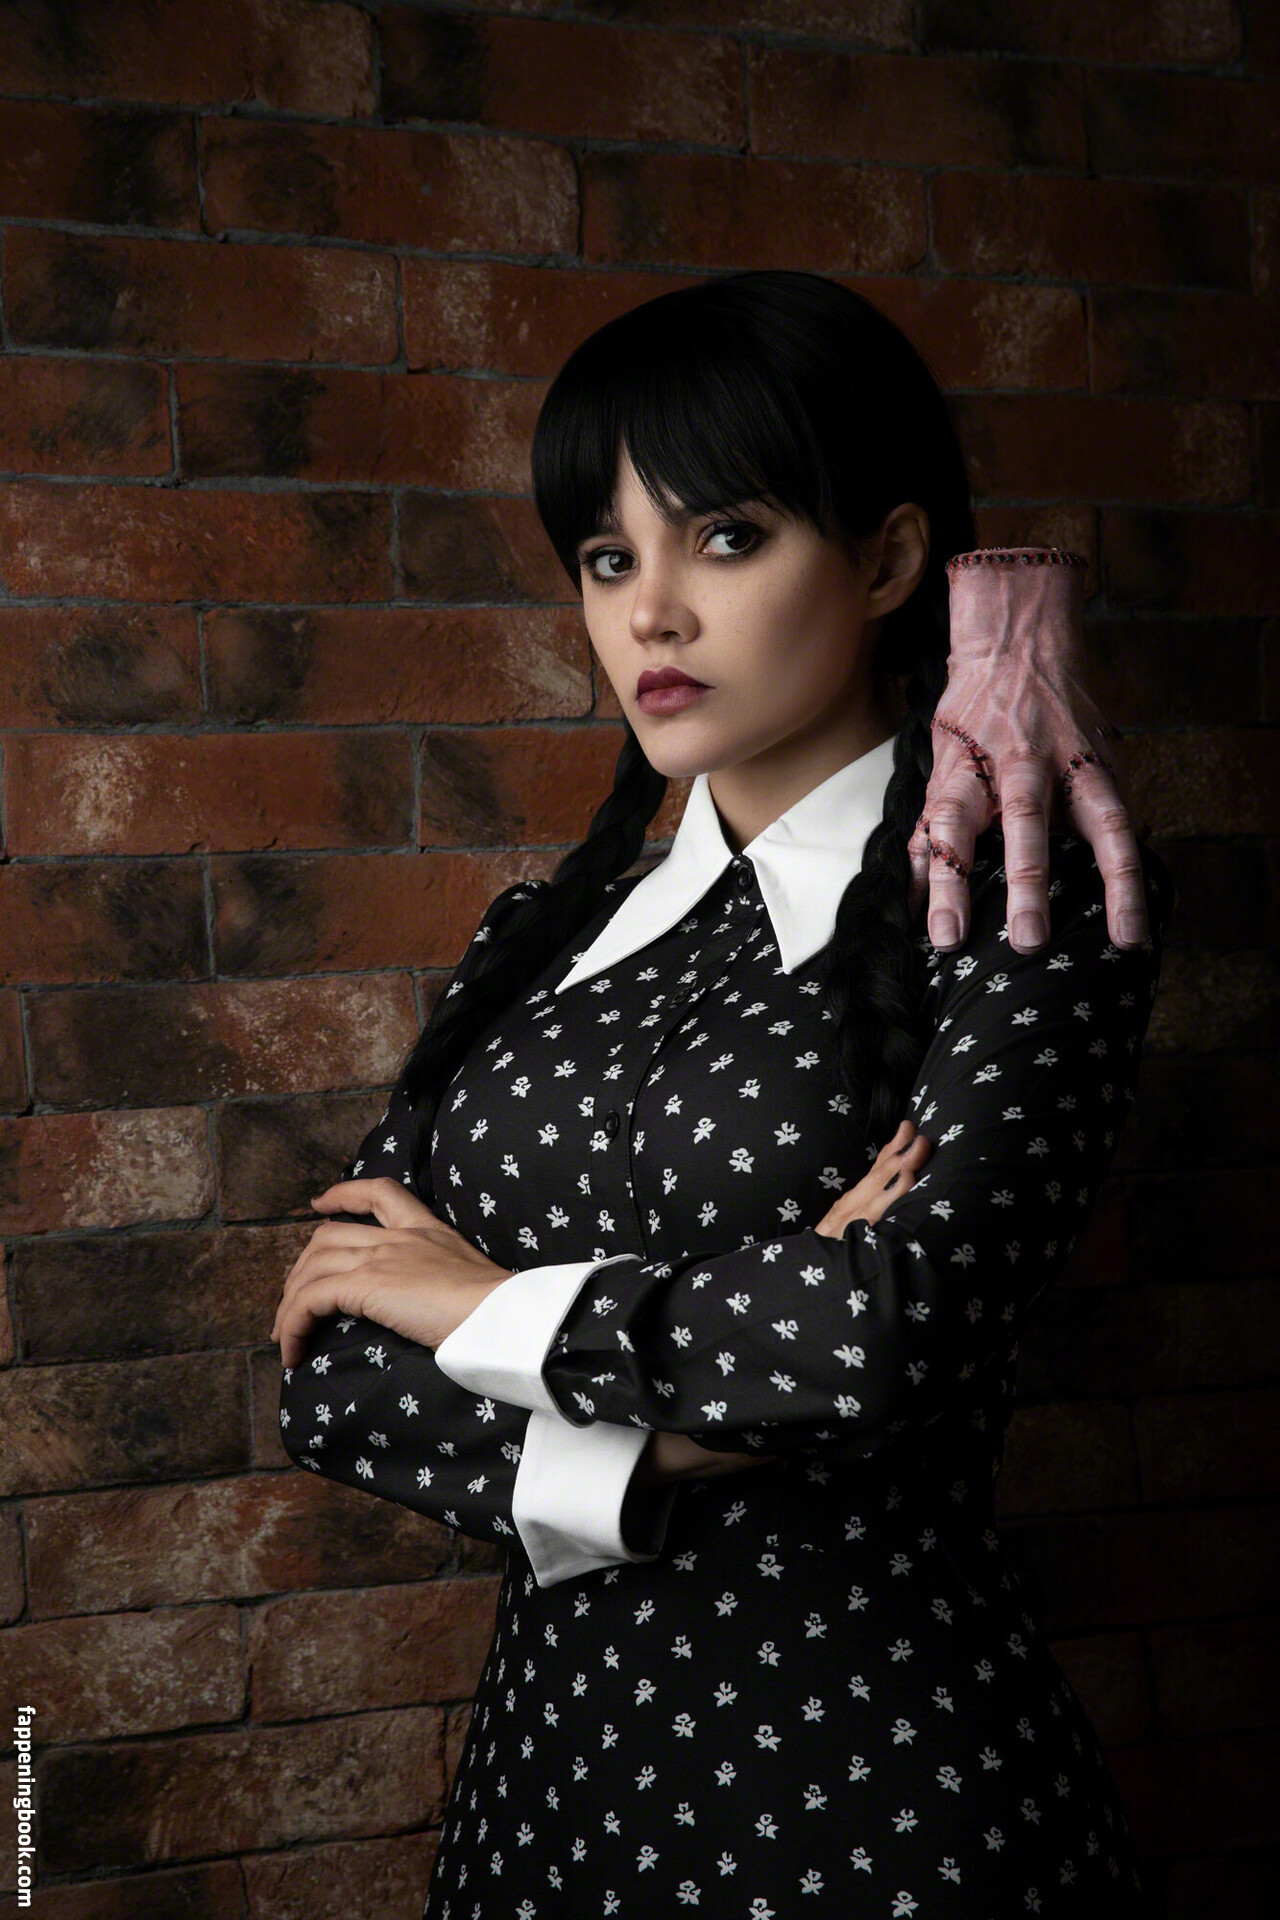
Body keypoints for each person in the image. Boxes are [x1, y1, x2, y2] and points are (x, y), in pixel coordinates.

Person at [272, 270, 1173, 1917]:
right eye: (609, 558)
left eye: (727, 539)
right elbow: (337, 1381)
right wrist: (712, 1410)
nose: (652, 616)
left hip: (883, 1796)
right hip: (548, 1795)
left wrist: (473, 1305)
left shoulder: (1024, 897)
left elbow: (885, 1340)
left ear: (887, 561)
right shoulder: (540, 940)